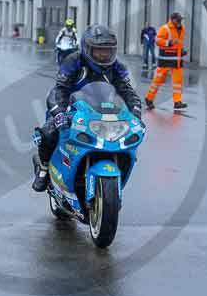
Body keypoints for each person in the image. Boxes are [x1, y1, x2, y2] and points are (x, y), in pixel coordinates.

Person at [32, 25, 142, 192]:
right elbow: (60, 89)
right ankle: (44, 168)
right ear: (87, 49)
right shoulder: (73, 61)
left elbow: (127, 90)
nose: (103, 55)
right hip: (70, 107)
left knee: (125, 136)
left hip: (103, 110)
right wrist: (58, 112)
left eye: (107, 51)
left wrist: (136, 111)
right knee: (48, 133)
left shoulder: (117, 66)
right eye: (98, 51)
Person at [144, 12, 187, 113]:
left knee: (178, 82)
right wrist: (169, 43)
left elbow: (179, 43)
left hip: (177, 60)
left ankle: (177, 102)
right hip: (166, 60)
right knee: (158, 80)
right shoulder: (165, 28)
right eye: (178, 20)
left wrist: (182, 51)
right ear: (173, 19)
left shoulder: (182, 29)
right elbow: (157, 40)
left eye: (181, 20)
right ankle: (149, 99)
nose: (180, 22)